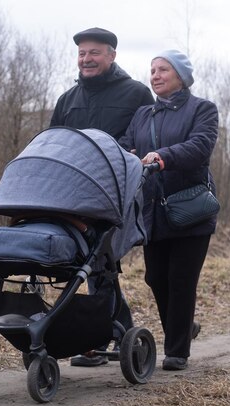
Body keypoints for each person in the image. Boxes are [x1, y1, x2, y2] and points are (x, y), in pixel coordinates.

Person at [50, 27, 155, 367]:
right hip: (70, 193)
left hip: (114, 191)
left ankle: (104, 336)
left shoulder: (136, 93)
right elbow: (53, 142)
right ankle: (104, 334)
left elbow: (144, 138)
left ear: (111, 55)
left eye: (94, 52)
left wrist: (125, 155)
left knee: (99, 261)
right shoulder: (68, 99)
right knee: (93, 263)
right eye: (82, 53)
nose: (86, 59)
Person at [118, 49, 218, 371]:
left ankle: (177, 351)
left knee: (181, 279)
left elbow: (200, 146)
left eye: (163, 69)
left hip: (190, 209)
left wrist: (162, 156)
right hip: (153, 213)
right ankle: (184, 328)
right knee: (155, 277)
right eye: (153, 70)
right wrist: (124, 154)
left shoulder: (202, 109)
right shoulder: (143, 114)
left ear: (181, 76)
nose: (155, 75)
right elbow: (126, 144)